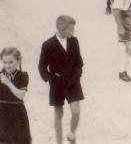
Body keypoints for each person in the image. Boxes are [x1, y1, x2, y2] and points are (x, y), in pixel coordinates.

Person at [38, 15, 84, 144]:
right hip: (57, 84)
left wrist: (77, 75)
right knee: (58, 114)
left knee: (76, 111)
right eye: (71, 29)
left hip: (73, 82)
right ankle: (59, 142)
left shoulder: (74, 41)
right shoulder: (48, 44)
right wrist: (52, 79)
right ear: (61, 28)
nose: (73, 31)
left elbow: (79, 62)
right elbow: (42, 67)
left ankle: (71, 134)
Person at [0, 47, 31, 144]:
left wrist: (8, 83)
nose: (7, 65)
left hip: (17, 113)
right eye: (4, 62)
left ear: (18, 61)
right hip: (1, 112)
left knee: (20, 140)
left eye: (10, 62)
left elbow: (21, 95)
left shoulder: (23, 75)